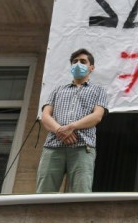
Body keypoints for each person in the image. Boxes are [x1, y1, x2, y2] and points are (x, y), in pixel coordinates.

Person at [37, 48, 108, 193]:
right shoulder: (58, 90)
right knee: (44, 192)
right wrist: (60, 130)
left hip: (82, 146)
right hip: (53, 146)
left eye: (83, 62)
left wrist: (72, 127)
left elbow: (97, 116)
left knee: (81, 192)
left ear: (91, 68)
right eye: (75, 62)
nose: (78, 64)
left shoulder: (99, 90)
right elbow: (45, 116)